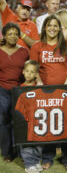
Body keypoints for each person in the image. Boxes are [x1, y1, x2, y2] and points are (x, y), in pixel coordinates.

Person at [30, 14, 67, 171]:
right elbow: (34, 68)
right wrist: (40, 83)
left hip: (63, 92)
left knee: (65, 125)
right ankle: (47, 157)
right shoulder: (37, 46)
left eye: (55, 25)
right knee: (48, 126)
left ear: (59, 28)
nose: (52, 28)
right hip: (45, 92)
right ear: (44, 28)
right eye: (49, 25)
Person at [0, 22, 29, 162]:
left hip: (19, 89)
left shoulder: (24, 51)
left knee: (19, 121)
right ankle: (7, 152)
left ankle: (20, 151)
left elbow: (29, 72)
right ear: (4, 36)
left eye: (15, 34)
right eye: (9, 34)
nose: (12, 36)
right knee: (4, 121)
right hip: (2, 89)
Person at [19, 60, 43, 173]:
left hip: (38, 121)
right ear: (23, 72)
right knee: (27, 142)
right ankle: (29, 164)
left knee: (39, 143)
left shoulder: (40, 89)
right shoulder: (19, 88)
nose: (29, 74)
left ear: (36, 75)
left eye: (32, 72)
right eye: (27, 71)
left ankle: (37, 161)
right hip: (25, 121)